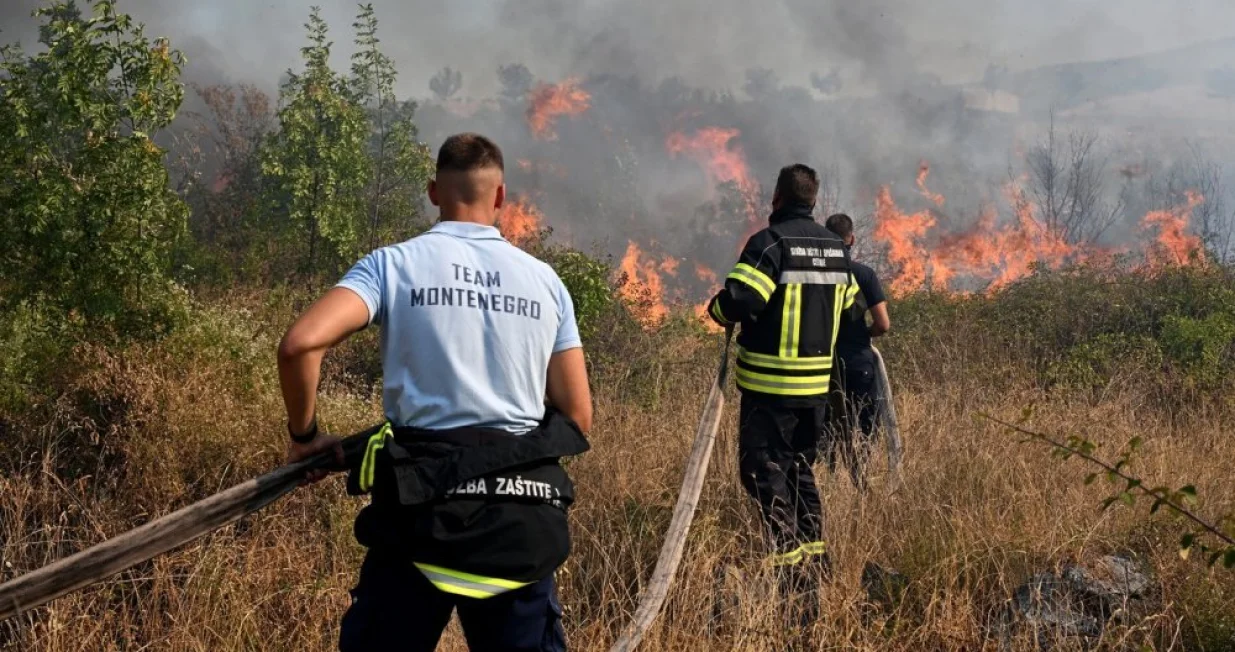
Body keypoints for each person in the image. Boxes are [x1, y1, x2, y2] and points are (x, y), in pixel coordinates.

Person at [276, 133, 593, 652]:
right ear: (500, 197)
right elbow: (577, 416)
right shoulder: (546, 282)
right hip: (520, 529)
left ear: (432, 192)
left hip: (418, 522)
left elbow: (299, 346)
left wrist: (306, 435)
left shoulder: (391, 265)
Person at [705, 164, 856, 596]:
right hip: (815, 393)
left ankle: (790, 574)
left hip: (770, 391)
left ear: (776, 198)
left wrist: (717, 311)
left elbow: (741, 299)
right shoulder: (835, 249)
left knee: (763, 474)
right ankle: (816, 563)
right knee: (799, 471)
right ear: (813, 201)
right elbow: (845, 306)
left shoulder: (769, 243)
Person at [822, 213, 891, 492]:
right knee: (866, 426)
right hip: (857, 362)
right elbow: (883, 324)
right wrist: (865, 334)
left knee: (826, 427)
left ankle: (828, 479)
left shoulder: (815, 273)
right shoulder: (863, 274)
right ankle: (861, 483)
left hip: (821, 363)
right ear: (851, 239)